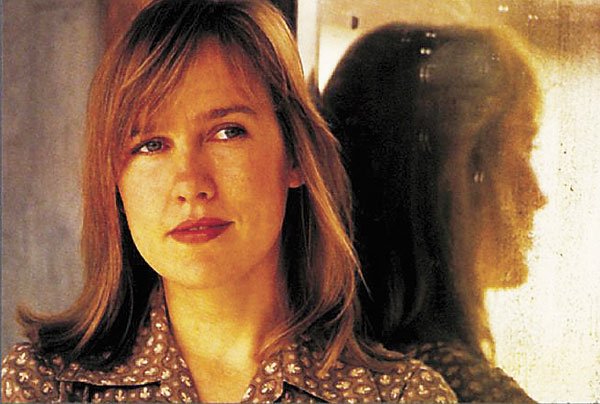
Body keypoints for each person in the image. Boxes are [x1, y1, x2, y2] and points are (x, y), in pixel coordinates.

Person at [1, 2, 457, 402]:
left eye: (227, 132)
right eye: (151, 145)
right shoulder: (44, 387)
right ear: (114, 182)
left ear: (295, 155)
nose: (190, 184)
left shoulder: (402, 397)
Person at [322, 23, 545, 402]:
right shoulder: (460, 388)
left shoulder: (323, 372)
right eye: (523, 148)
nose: (537, 195)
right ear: (447, 179)